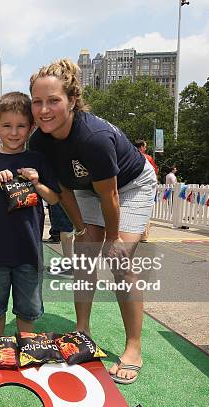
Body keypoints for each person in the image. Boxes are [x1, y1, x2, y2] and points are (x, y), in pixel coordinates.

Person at [29, 59, 157, 385]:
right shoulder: (40, 140)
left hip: (129, 185)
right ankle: (82, 329)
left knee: (120, 262)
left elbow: (111, 196)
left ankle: (133, 347)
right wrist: (84, 230)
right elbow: (65, 189)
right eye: (37, 101)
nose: (44, 110)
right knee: (85, 255)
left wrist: (113, 238)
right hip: (86, 188)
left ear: (72, 100)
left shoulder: (93, 138)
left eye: (53, 101)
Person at [0, 92, 60, 336]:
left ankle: (27, 349)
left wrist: (37, 182)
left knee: (27, 309)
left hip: (29, 251)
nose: (14, 132)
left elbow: (54, 198)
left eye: (21, 126)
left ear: (32, 127)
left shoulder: (37, 159)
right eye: (7, 126)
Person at [134, 140, 158, 242]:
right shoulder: (148, 158)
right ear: (142, 147)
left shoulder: (130, 155)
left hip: (132, 185)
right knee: (145, 210)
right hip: (146, 187)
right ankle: (143, 236)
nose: (146, 148)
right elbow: (154, 171)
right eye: (145, 146)